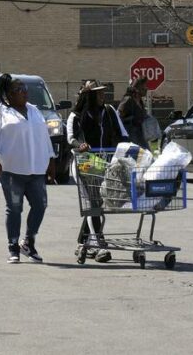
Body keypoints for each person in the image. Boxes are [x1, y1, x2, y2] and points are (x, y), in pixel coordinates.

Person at [0, 74, 56, 264]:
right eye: (19, 90)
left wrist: (51, 159)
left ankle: (28, 243)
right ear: (9, 94)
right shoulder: (0, 114)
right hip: (12, 170)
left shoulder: (34, 111)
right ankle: (13, 247)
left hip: (36, 169)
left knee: (40, 206)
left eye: (25, 89)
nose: (24, 92)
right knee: (14, 209)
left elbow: (44, 137)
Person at [68, 80, 130, 263]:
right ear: (90, 96)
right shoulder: (76, 115)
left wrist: (127, 151)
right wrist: (81, 146)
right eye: (99, 93)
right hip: (84, 164)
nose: (103, 96)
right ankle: (99, 245)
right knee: (91, 203)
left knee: (98, 204)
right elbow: (70, 138)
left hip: (105, 164)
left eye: (103, 93)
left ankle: (84, 242)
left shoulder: (110, 111)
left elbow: (123, 134)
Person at [118, 77, 150, 149]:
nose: (146, 88)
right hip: (131, 135)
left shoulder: (141, 101)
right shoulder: (128, 100)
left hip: (141, 134)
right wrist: (130, 119)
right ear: (138, 88)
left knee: (147, 155)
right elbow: (118, 116)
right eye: (144, 86)